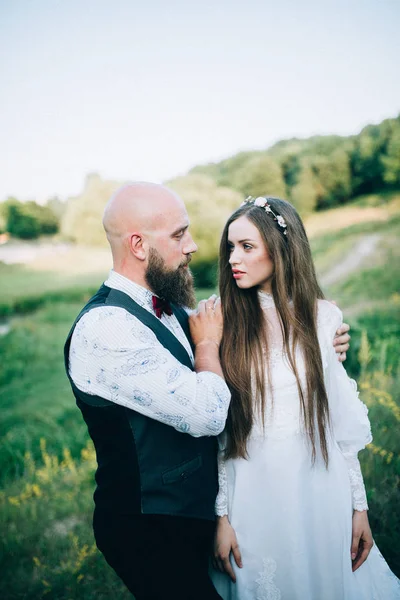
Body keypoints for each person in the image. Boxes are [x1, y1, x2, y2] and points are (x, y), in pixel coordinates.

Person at [64, 183, 350, 599]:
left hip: (196, 515)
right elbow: (208, 412)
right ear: (139, 245)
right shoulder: (105, 327)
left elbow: (262, 332)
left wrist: (326, 336)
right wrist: (205, 346)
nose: (193, 245)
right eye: (180, 235)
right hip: (150, 529)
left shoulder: (171, 306)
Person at [211, 196, 400, 600]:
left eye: (246, 246)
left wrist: (359, 508)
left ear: (279, 250)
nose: (233, 259)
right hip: (253, 489)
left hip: (317, 481)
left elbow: (341, 425)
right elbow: (222, 436)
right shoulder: (222, 324)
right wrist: (221, 516)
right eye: (230, 247)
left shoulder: (323, 318)